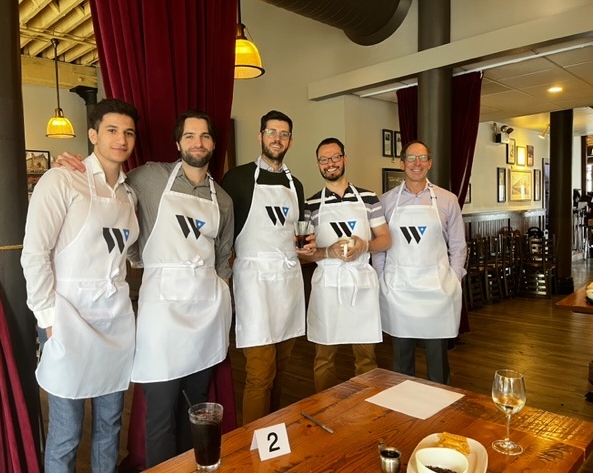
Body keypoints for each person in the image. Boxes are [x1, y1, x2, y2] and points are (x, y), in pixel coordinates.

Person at [56, 110, 234, 467]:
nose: (197, 143)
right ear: (177, 143)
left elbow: (223, 259)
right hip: (162, 315)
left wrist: (216, 303)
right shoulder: (150, 177)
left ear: (213, 144)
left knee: (195, 405)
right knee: (160, 410)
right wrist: (74, 163)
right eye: (189, 136)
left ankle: (192, 466)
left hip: (206, 312)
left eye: (205, 137)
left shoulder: (224, 200)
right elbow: (109, 183)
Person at [21, 98, 140, 473]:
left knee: (109, 423)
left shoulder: (129, 193)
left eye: (128, 132)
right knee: (67, 431)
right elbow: (35, 253)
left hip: (115, 319)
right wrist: (49, 321)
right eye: (111, 130)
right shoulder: (61, 179)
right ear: (92, 134)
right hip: (67, 317)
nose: (121, 139)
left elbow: (128, 254)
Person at [221, 110, 316, 424]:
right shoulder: (236, 179)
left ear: (291, 140)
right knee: (260, 374)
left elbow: (299, 236)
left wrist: (310, 248)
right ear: (260, 136)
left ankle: (272, 431)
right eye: (272, 132)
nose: (278, 138)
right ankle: (254, 446)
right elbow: (223, 234)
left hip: (288, 284)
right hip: (255, 285)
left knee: (280, 370)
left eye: (284, 133)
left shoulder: (296, 184)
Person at [372, 140, 467, 385]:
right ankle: (404, 413)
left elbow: (458, 246)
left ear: (430, 163)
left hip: (436, 291)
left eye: (422, 158)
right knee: (401, 361)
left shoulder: (447, 200)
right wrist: (383, 279)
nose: (417, 164)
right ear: (402, 164)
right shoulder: (385, 202)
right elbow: (379, 247)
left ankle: (440, 408)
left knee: (438, 359)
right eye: (412, 158)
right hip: (399, 290)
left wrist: (453, 280)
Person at [302, 138, 392, 392]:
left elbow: (385, 240)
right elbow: (304, 253)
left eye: (335, 157)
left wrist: (364, 246)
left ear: (344, 159)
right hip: (327, 286)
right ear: (318, 164)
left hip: (360, 282)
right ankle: (324, 409)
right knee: (323, 359)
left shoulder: (368, 198)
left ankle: (366, 409)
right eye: (324, 159)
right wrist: (326, 251)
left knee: (366, 358)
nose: (330, 164)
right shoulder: (310, 205)